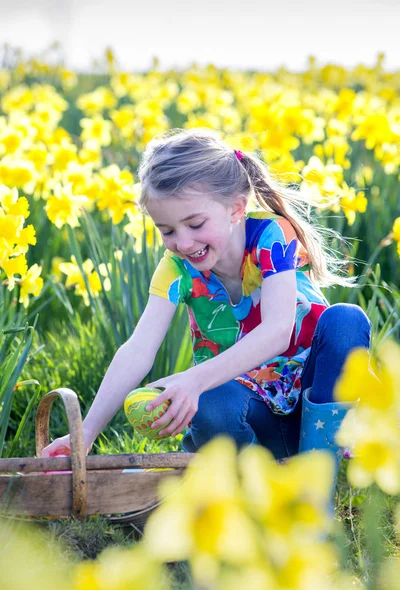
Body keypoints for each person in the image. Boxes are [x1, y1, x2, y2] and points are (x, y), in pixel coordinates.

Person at [42, 128, 371, 485]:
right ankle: (251, 493)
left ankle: (317, 487)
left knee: (346, 320)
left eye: (195, 224)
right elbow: (138, 349)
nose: (183, 242)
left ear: (236, 208)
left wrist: (192, 379)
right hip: (253, 422)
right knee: (213, 401)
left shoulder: (273, 238)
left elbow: (278, 331)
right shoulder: (176, 269)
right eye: (166, 230)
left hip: (314, 417)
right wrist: (85, 433)